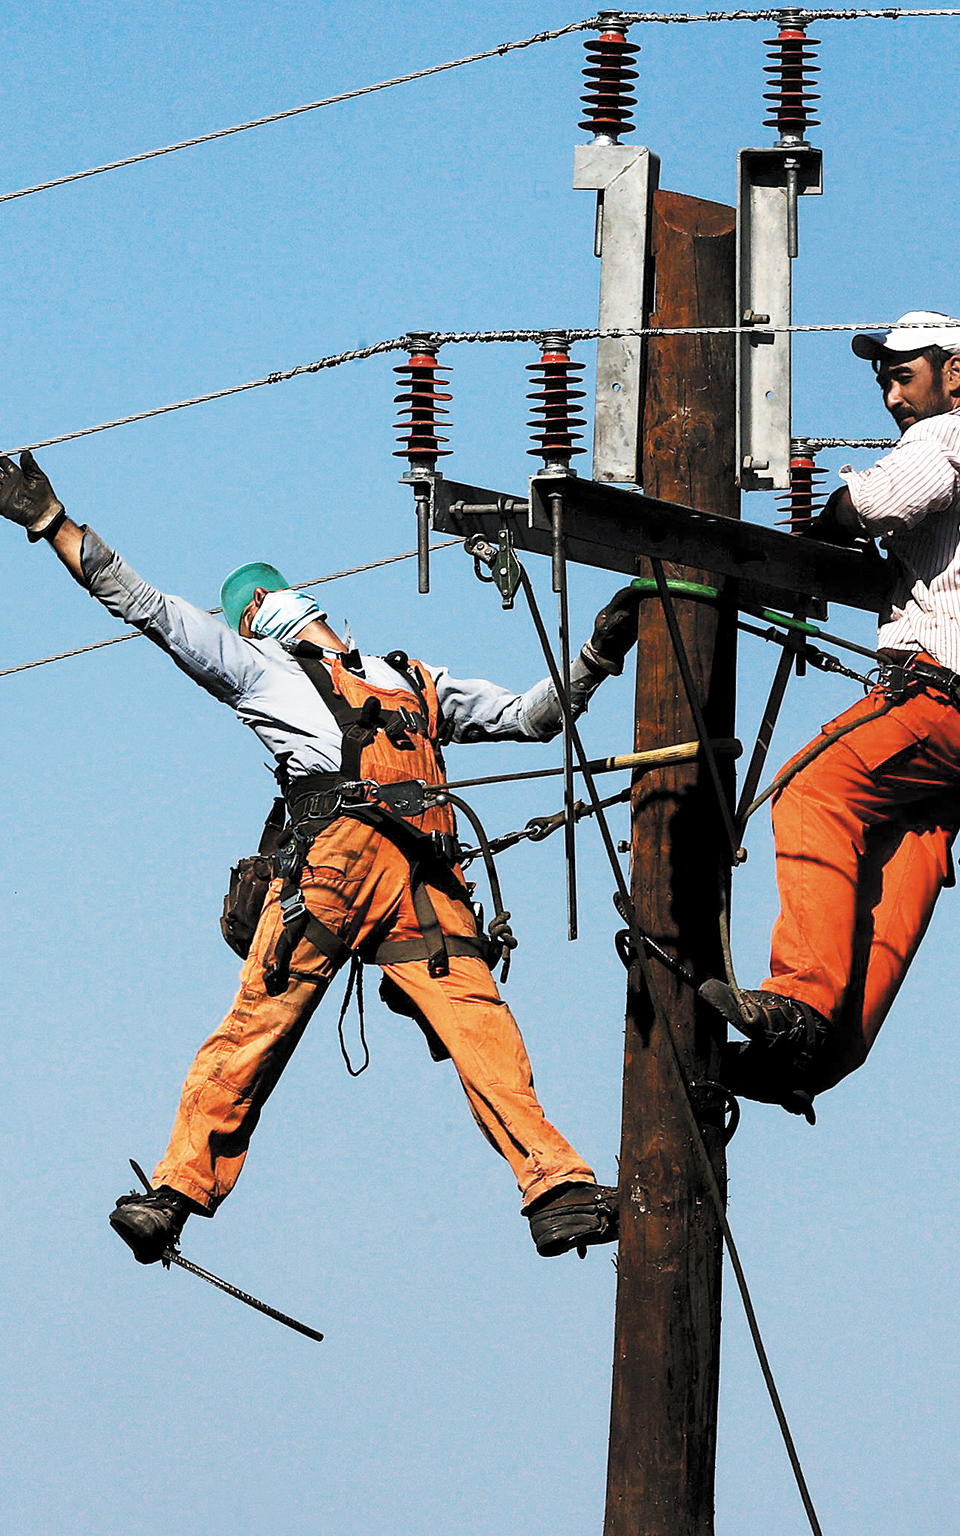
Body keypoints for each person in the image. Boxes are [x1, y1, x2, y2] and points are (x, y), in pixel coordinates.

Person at [0, 452, 641, 1259]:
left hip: (415, 883)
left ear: (254, 608)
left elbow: (531, 717)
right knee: (281, 1027)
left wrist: (597, 655)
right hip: (340, 872)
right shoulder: (265, 670)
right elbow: (152, 611)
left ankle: (557, 1190)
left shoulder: (413, 678)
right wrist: (52, 524)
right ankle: (175, 1192)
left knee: (456, 1032)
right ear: (273, 606)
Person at [702, 310, 960, 1120]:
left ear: (955, 371)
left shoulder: (950, 435)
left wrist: (827, 528)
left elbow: (879, 501)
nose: (891, 396)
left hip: (936, 694)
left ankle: (801, 1006)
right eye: (884, 378)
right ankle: (821, 1056)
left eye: (903, 375)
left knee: (814, 792)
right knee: (903, 860)